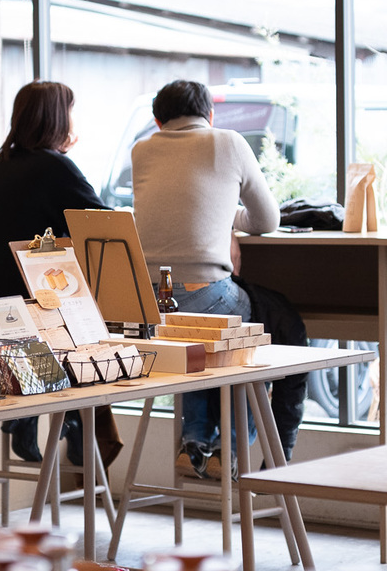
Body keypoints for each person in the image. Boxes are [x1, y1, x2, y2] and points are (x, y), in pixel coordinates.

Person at [131, 79, 279, 479]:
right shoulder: (228, 142)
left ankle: (193, 439)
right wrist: (227, 216)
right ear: (210, 115)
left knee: (190, 337)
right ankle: (231, 451)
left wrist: (216, 212)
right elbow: (267, 221)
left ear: (158, 121)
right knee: (239, 325)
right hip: (207, 296)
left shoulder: (141, 150)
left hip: (151, 305)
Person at [0, 80, 118, 466]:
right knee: (96, 337)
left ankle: (47, 418)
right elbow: (103, 226)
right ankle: (72, 425)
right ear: (58, 117)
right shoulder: (55, 167)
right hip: (36, 317)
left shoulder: (1, 164)